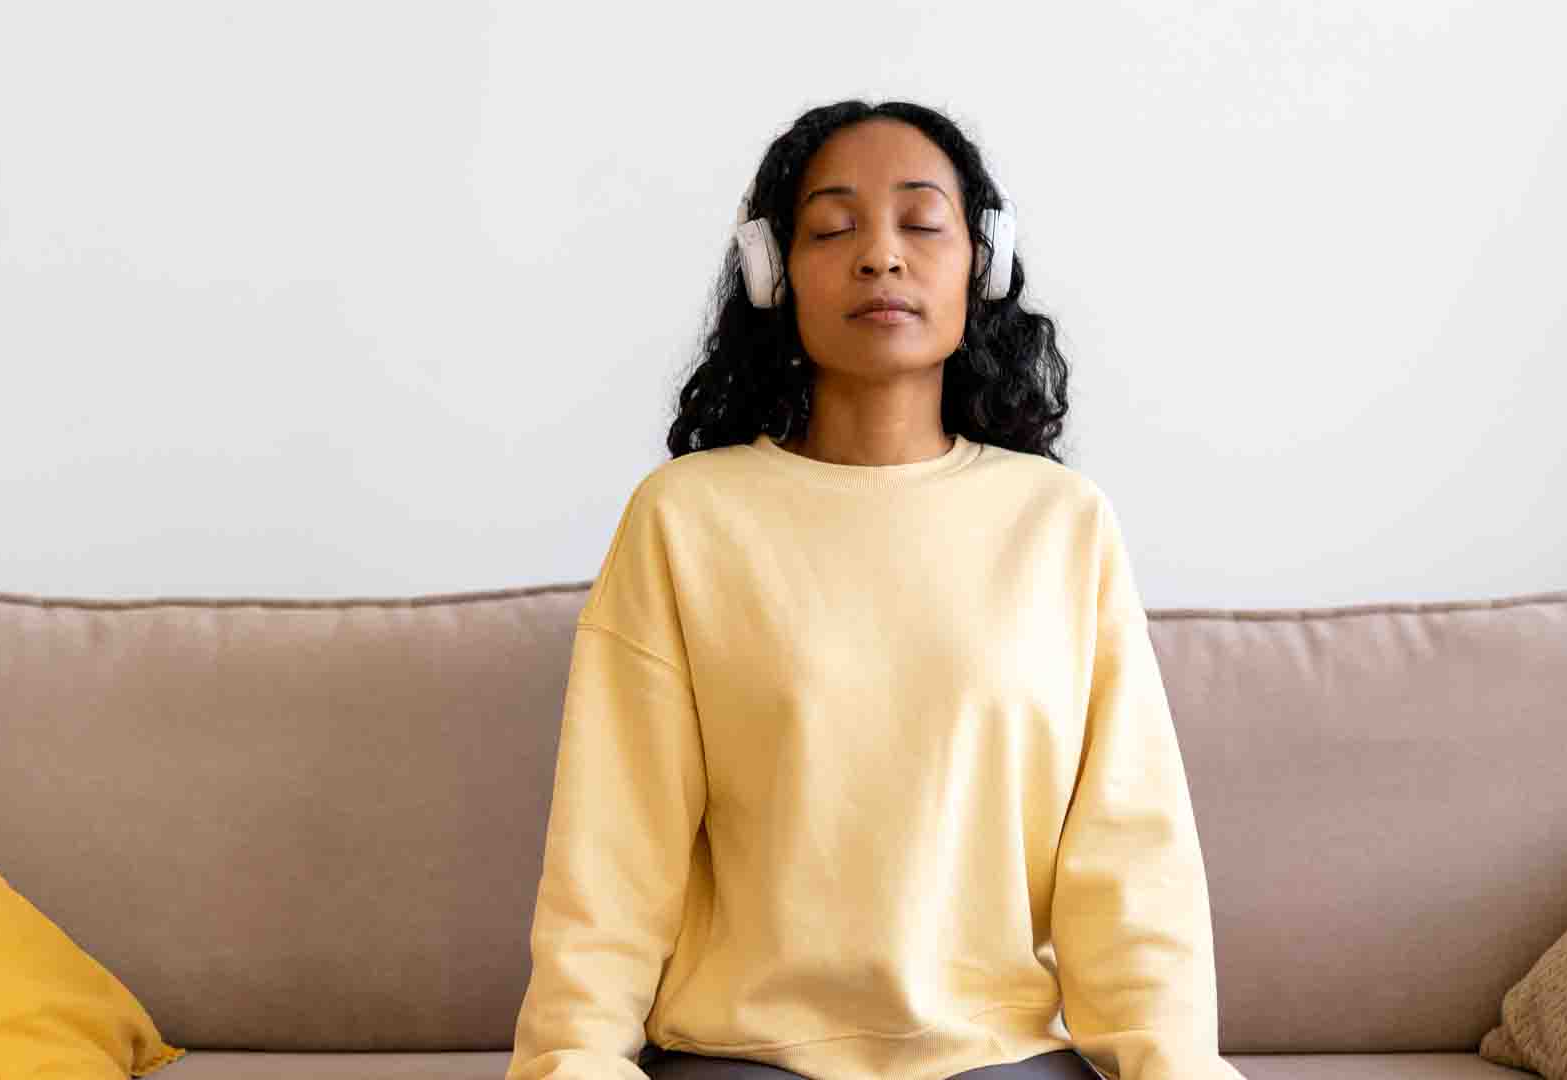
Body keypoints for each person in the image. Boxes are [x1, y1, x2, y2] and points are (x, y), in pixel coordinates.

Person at [505, 99, 1241, 1080]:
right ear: (773, 272)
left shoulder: (1061, 524)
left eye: (922, 223)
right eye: (834, 227)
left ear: (984, 262)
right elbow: (611, 857)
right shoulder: (685, 520)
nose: (881, 256)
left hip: (1001, 1059)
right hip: (745, 1057)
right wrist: (572, 1065)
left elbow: (1129, 862)